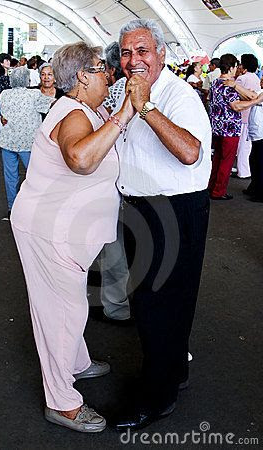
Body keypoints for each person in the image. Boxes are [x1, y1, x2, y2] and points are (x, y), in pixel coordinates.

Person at [10, 42, 134, 432]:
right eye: (100, 68)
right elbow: (80, 159)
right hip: (49, 231)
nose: (108, 73)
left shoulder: (89, 110)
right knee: (60, 314)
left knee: (68, 305)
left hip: (63, 232)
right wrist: (127, 112)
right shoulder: (73, 114)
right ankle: (61, 401)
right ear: (81, 77)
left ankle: (77, 363)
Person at [110, 18, 212, 431]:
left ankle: (157, 397)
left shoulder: (177, 94)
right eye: (126, 53)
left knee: (159, 305)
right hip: (140, 208)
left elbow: (190, 153)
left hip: (173, 210)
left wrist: (146, 106)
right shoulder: (124, 88)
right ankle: (172, 372)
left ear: (162, 55)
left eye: (142, 51)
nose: (134, 60)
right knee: (155, 300)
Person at [92, 42, 130, 323]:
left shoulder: (114, 92)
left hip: (115, 180)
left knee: (115, 246)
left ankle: (117, 306)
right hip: (142, 183)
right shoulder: (160, 89)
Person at [0, 66, 53, 220]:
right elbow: (51, 106)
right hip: (28, 143)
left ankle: (12, 208)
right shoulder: (34, 94)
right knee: (35, 175)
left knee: (10, 177)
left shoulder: (4, 94)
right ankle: (35, 208)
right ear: (28, 80)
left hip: (7, 141)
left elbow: (4, 114)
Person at [208, 54, 261, 200]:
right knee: (226, 160)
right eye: (236, 67)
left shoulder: (215, 82)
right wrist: (254, 102)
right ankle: (219, 191)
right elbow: (236, 106)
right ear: (231, 67)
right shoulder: (228, 85)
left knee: (217, 159)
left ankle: (212, 186)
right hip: (229, 128)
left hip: (216, 127)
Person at [234, 54, 261, 179]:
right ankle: (245, 170)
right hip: (252, 116)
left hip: (241, 115)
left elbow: (235, 97)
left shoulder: (241, 79)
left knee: (242, 146)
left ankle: (243, 171)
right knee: (248, 146)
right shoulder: (255, 77)